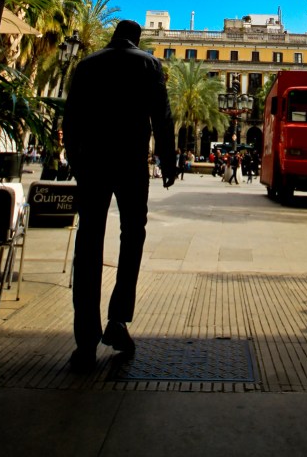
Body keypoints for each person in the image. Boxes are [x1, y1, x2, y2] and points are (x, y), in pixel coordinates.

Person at [62, 19, 176, 372]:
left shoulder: (87, 65)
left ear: (113, 37)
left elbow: (71, 118)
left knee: (88, 240)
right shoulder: (149, 64)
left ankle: (85, 338)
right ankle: (118, 320)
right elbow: (163, 117)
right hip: (130, 163)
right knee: (133, 236)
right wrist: (168, 160)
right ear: (137, 39)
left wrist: (76, 160)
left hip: (93, 163)